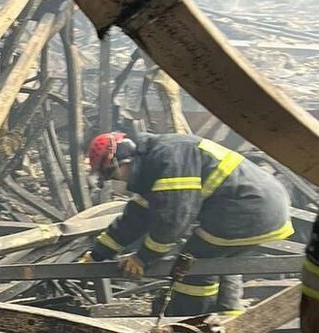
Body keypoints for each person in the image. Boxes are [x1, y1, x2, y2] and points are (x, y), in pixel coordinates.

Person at [83, 130, 293, 317]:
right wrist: (97, 254)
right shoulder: (155, 163)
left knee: (191, 263)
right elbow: (136, 217)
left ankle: (190, 322)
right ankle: (229, 315)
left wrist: (142, 258)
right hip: (261, 208)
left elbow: (174, 218)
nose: (118, 181)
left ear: (123, 161)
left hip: (249, 209)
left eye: (112, 174)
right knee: (220, 262)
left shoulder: (168, 158)